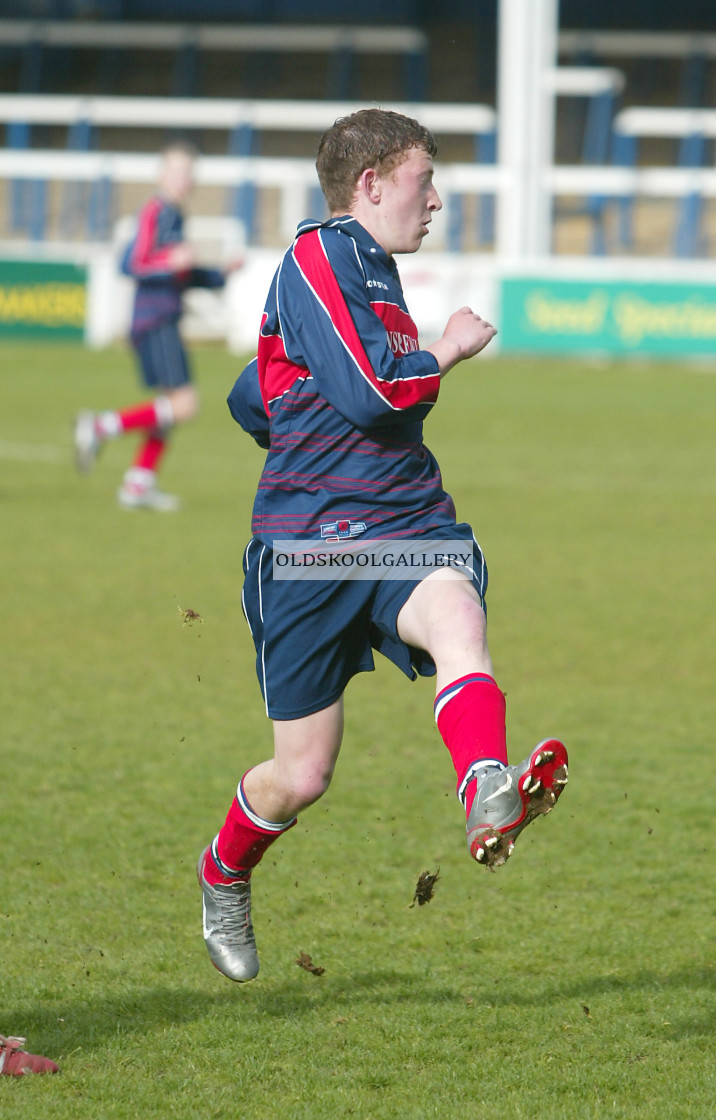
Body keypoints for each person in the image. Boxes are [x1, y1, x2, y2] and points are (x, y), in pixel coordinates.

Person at [197, 109, 569, 982]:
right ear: (370, 185)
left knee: (458, 616)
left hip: (402, 522)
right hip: (312, 549)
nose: (434, 199)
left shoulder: (369, 272)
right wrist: (445, 350)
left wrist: (297, 404)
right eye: (422, 179)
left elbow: (259, 395)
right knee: (301, 775)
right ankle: (223, 872)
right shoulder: (320, 257)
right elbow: (371, 397)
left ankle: (484, 786)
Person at [74, 140, 242, 511]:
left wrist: (218, 273)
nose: (185, 180)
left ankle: (138, 484)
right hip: (154, 319)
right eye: (179, 172)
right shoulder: (156, 210)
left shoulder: (173, 214)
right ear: (162, 174)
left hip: (162, 317)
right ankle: (101, 426)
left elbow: (178, 271)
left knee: (171, 405)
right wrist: (171, 260)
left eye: (190, 174)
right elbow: (131, 263)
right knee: (184, 405)